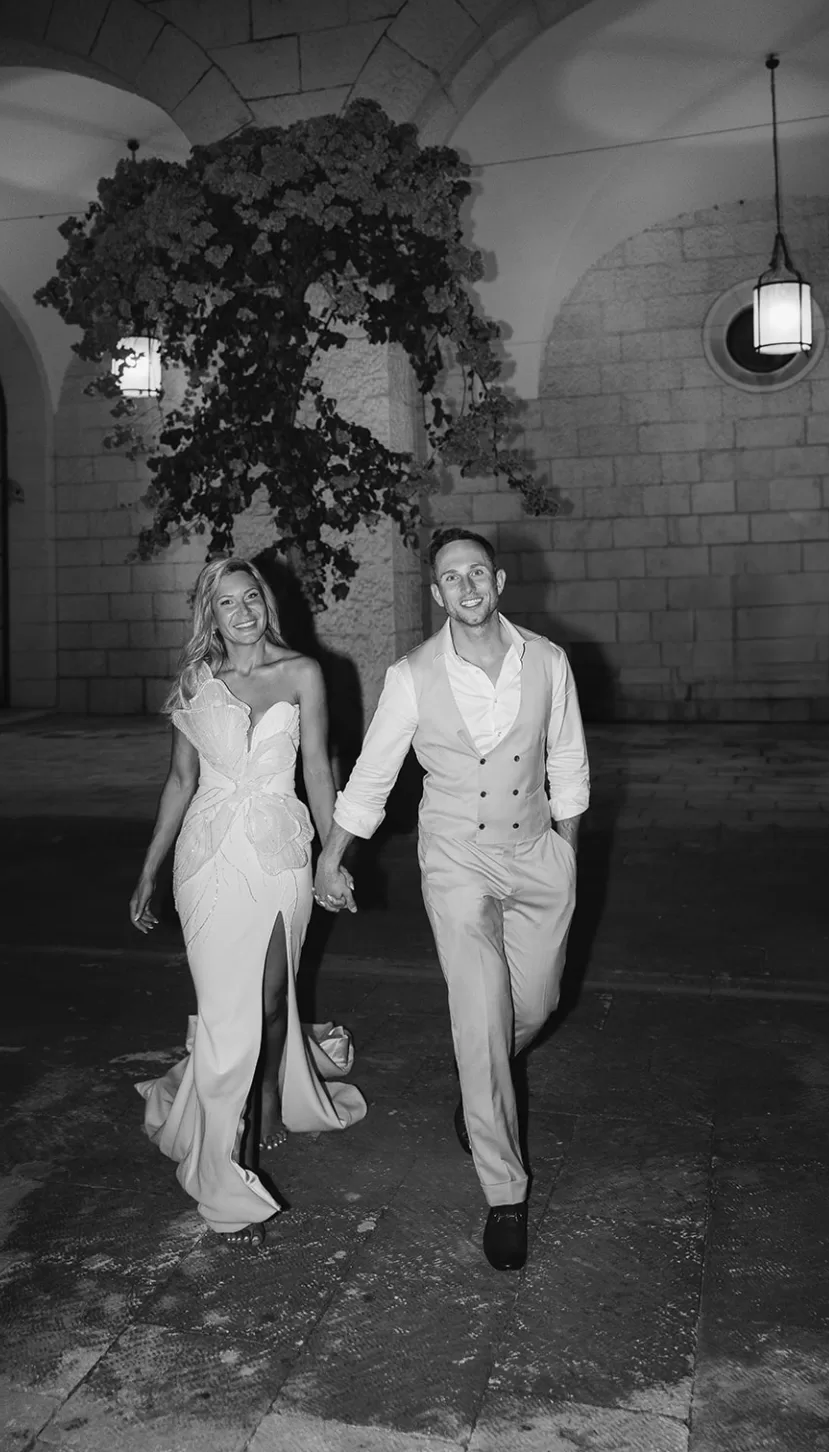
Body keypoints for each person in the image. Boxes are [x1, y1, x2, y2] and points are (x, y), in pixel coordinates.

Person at [315, 528, 589, 1271]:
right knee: (478, 1015)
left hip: (536, 856)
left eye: (477, 573)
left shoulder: (549, 662)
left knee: (533, 1005)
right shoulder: (411, 676)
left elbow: (566, 759)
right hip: (457, 862)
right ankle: (505, 1193)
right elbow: (371, 778)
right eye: (450, 578)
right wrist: (331, 858)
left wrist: (565, 852)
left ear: (498, 581)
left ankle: (482, 1083)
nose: (466, 587)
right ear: (436, 595)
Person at [130, 555, 366, 1247]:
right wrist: (148, 870)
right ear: (211, 615)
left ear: (265, 602)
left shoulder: (303, 674)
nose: (243, 610)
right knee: (228, 1016)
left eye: (251, 596)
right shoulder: (197, 684)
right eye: (227, 602)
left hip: (279, 857)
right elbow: (179, 782)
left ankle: (264, 1092)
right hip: (205, 861)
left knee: (268, 1000)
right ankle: (226, 1178)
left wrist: (333, 858)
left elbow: (320, 769)